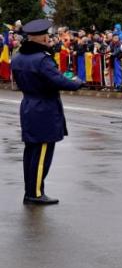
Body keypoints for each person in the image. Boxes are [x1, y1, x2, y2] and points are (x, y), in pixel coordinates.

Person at [12, 19, 84, 205]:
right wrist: (77, 82)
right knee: (42, 153)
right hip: (43, 108)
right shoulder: (42, 59)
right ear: (43, 38)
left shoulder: (19, 57)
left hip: (28, 105)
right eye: (47, 36)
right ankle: (35, 194)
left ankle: (31, 191)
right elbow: (58, 80)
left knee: (31, 152)